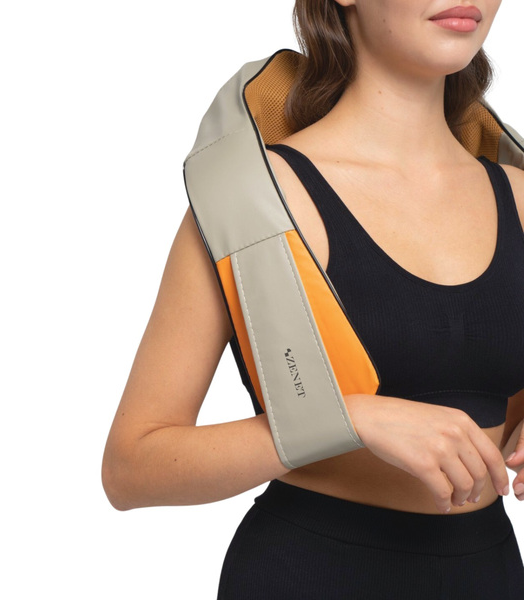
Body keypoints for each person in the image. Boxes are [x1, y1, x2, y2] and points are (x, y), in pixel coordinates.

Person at [102, 1, 524, 597]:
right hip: (308, 573)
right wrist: (346, 419)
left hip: (490, 574)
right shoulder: (254, 202)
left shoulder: (520, 196)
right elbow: (131, 468)